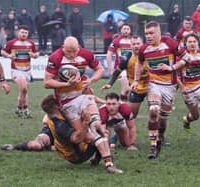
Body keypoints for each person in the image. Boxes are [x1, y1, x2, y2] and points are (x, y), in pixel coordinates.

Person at [44, 37, 118, 170]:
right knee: (88, 137)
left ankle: (109, 163)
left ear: (79, 47)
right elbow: (47, 82)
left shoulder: (86, 54)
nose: (72, 55)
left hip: (84, 96)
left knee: (96, 126)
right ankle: (98, 154)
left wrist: (92, 80)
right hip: (67, 103)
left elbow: (100, 69)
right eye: (68, 51)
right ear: (63, 47)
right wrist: (66, 84)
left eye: (74, 51)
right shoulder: (55, 58)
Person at [133, 21, 187, 159]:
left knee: (163, 118)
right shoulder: (144, 49)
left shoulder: (170, 43)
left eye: (151, 33)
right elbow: (139, 62)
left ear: (159, 33)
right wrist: (135, 80)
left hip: (170, 86)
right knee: (153, 110)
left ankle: (160, 136)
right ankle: (153, 146)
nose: (149, 36)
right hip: (154, 84)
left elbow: (186, 58)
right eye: (146, 34)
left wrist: (172, 68)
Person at [159, 33, 200, 144]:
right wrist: (181, 87)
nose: (192, 44)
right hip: (188, 90)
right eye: (189, 42)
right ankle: (187, 120)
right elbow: (174, 73)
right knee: (195, 116)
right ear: (186, 44)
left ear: (197, 43)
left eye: (194, 41)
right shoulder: (181, 57)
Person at [101, 36, 150, 147]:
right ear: (130, 46)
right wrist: (110, 83)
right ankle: (115, 137)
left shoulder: (150, 55)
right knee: (130, 116)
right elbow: (116, 72)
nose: (136, 46)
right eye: (134, 44)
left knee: (154, 111)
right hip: (136, 88)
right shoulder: (127, 58)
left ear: (142, 44)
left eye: (138, 43)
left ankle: (159, 138)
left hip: (151, 87)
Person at [1, 25, 39, 118]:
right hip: (16, 70)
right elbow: (2, 52)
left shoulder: (31, 43)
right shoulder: (11, 43)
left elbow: (37, 53)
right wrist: (9, 56)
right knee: (24, 89)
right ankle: (25, 109)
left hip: (27, 70)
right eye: (22, 32)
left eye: (26, 33)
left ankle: (20, 109)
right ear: (18, 32)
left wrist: (34, 55)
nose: (24, 34)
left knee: (24, 91)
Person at [106, 23, 132, 101]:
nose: (126, 31)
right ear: (120, 30)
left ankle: (121, 105)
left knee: (126, 90)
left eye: (127, 29)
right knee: (127, 88)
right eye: (124, 29)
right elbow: (109, 54)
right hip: (121, 69)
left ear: (130, 31)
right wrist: (110, 69)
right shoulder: (116, 41)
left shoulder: (133, 41)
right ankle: (121, 104)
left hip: (131, 69)